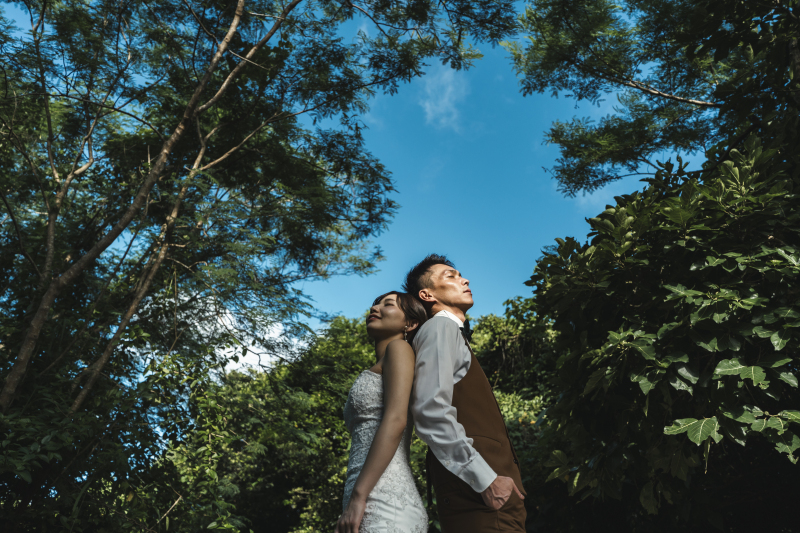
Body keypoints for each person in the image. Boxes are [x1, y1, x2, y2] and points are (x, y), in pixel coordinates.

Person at [403, 254, 526, 533]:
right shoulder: (439, 326)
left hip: (492, 494)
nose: (464, 279)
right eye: (451, 275)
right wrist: (485, 479)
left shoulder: (451, 333)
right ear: (427, 294)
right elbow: (431, 410)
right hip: (480, 493)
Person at [336, 291, 429, 533]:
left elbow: (397, 419)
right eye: (375, 304)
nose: (375, 308)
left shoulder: (399, 348)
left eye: (387, 304)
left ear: (410, 323)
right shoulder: (378, 364)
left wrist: (358, 496)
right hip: (361, 495)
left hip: (386, 500)